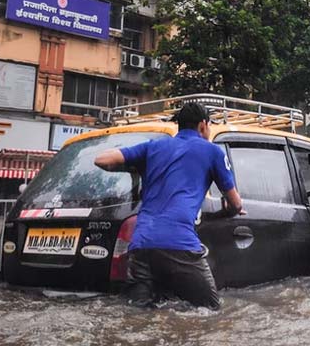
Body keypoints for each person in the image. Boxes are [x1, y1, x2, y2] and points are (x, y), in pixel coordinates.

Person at [94, 102, 244, 309]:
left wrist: (136, 168)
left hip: (141, 246)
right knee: (211, 311)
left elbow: (102, 160)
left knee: (137, 314)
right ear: (203, 125)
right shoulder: (212, 152)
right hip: (180, 244)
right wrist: (228, 210)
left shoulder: (153, 147)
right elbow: (236, 203)